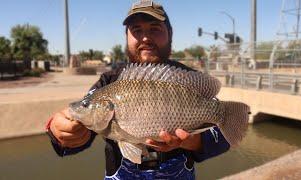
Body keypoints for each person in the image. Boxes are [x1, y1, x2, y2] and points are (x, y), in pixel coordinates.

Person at [46, 1, 230, 179]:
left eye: (154, 29)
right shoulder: (109, 82)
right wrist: (60, 132)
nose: (145, 37)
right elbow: (84, 130)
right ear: (126, 36)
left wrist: (191, 140)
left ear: (170, 34)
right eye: (136, 30)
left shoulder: (187, 79)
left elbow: (224, 137)